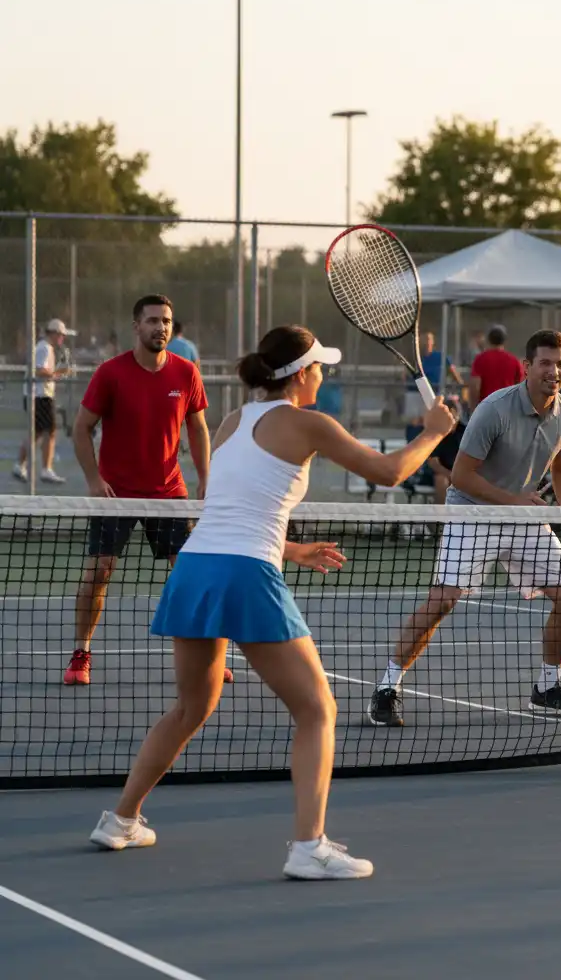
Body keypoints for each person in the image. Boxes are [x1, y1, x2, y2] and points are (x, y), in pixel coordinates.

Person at [88, 325, 456, 879]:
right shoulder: (309, 422)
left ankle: (120, 820)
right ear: (302, 374)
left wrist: (291, 546)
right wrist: (433, 433)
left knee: (192, 707)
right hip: (243, 571)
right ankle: (310, 847)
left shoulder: (236, 420)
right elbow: (388, 473)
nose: (323, 376)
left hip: (196, 566)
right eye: (320, 367)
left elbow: (227, 506)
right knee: (317, 709)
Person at [369, 329, 561, 727]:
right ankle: (387, 688)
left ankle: (547, 688)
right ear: (526, 367)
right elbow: (460, 477)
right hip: (473, 511)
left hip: (524, 515)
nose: (554, 371)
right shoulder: (495, 409)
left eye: (560, 364)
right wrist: (516, 502)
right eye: (545, 363)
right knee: (442, 601)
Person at [64, 296, 225, 686]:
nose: (161, 328)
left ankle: (207, 657)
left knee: (190, 574)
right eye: (152, 320)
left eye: (166, 321)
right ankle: (81, 654)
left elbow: (198, 428)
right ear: (136, 326)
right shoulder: (110, 373)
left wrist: (206, 477)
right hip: (115, 494)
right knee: (100, 571)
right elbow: (81, 427)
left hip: (169, 492)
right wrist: (92, 480)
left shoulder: (186, 373)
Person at [13, 318, 75, 485]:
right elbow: (40, 371)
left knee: (37, 433)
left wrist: (58, 373)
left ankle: (20, 465)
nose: (62, 338)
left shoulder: (44, 348)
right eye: (61, 335)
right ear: (54, 334)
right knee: (50, 431)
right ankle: (46, 469)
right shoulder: (44, 348)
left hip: (38, 395)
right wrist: (59, 371)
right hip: (39, 396)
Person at [404, 332, 462, 422]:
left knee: (432, 421)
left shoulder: (441, 357)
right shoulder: (414, 357)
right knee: (415, 423)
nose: (426, 342)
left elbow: (455, 376)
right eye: (423, 339)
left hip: (435, 395)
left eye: (428, 339)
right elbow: (405, 375)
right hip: (416, 394)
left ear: (433, 342)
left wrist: (462, 389)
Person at [468, 325, 524, 409]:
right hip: (507, 409)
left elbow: (475, 386)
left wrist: (473, 409)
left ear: (489, 340)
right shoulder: (514, 361)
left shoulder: (480, 359)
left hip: (486, 409)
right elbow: (520, 388)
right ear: (504, 341)